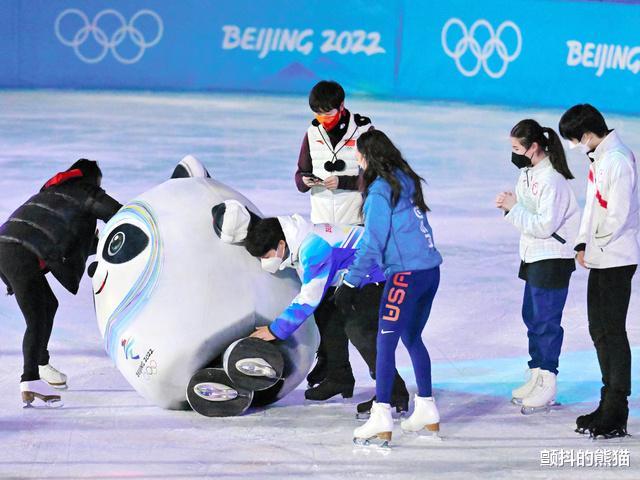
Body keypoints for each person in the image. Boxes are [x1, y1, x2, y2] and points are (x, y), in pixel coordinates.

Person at [338, 130, 443, 447]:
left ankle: (381, 416)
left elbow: (372, 242)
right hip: (429, 271)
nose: (356, 161)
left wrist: (350, 281)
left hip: (405, 276)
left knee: (385, 343)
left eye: (358, 155)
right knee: (411, 337)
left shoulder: (379, 192)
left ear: (367, 158)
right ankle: (426, 408)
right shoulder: (405, 180)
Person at [243, 214, 408, 413]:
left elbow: (309, 297)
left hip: (383, 272)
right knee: (326, 313)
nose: (265, 262)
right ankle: (339, 377)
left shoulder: (313, 248)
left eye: (266, 256)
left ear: (280, 244)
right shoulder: (292, 236)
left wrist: (276, 330)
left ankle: (393, 391)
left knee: (359, 330)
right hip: (354, 275)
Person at [0, 159, 122, 407]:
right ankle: (30, 379)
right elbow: (122, 215)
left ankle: (41, 365)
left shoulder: (52, 193)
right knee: (36, 319)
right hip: (19, 253)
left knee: (48, 305)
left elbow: (64, 241)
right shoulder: (85, 192)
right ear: (92, 178)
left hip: (9, 247)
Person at [559, 104, 639, 438]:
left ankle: (616, 409)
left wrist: (594, 246)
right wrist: (581, 243)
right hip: (601, 255)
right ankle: (607, 401)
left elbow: (618, 215)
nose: (574, 146)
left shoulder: (618, 160)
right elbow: (592, 206)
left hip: (617, 256)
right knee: (599, 330)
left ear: (588, 134)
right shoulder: (601, 159)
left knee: (612, 331)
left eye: (574, 139)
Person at [294, 80, 374, 393]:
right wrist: (307, 180)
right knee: (324, 302)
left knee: (351, 305)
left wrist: (341, 181)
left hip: (354, 229)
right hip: (323, 230)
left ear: (341, 107)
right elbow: (299, 175)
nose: (322, 119)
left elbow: (376, 176)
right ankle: (335, 368)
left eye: (327, 113)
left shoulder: (365, 131)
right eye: (317, 113)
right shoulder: (312, 132)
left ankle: (373, 379)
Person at [495, 119, 580, 414]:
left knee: (546, 321)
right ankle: (536, 373)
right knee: (531, 316)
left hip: (552, 257)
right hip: (533, 255)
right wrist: (515, 204)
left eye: (517, 148)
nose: (514, 153)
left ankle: (548, 379)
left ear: (533, 147)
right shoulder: (528, 173)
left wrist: (512, 207)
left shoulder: (552, 180)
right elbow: (529, 213)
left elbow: (544, 225)